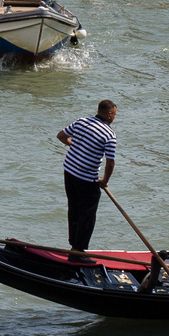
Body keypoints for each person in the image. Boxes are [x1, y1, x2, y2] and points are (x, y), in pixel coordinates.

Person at [57, 100, 119, 257]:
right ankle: (78, 251)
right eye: (115, 115)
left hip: (69, 172)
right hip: (86, 179)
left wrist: (75, 145)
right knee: (87, 215)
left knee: (74, 208)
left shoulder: (81, 121)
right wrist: (104, 181)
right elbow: (110, 163)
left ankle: (73, 245)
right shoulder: (109, 134)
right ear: (110, 114)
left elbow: (61, 136)